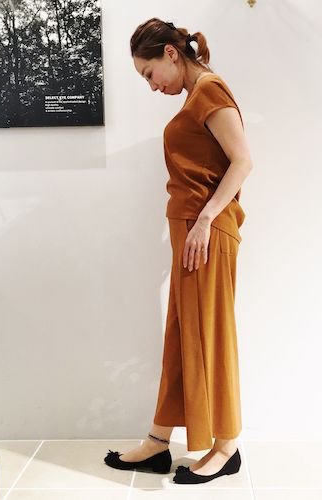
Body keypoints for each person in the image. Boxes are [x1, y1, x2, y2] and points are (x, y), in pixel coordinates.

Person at [104, 17, 253, 484]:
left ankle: (226, 448)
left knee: (210, 335)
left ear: (170, 53)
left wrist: (205, 220)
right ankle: (158, 440)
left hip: (206, 234)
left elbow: (243, 161)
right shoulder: (196, 95)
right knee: (181, 335)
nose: (152, 86)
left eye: (149, 73)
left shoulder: (210, 90)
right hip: (189, 235)